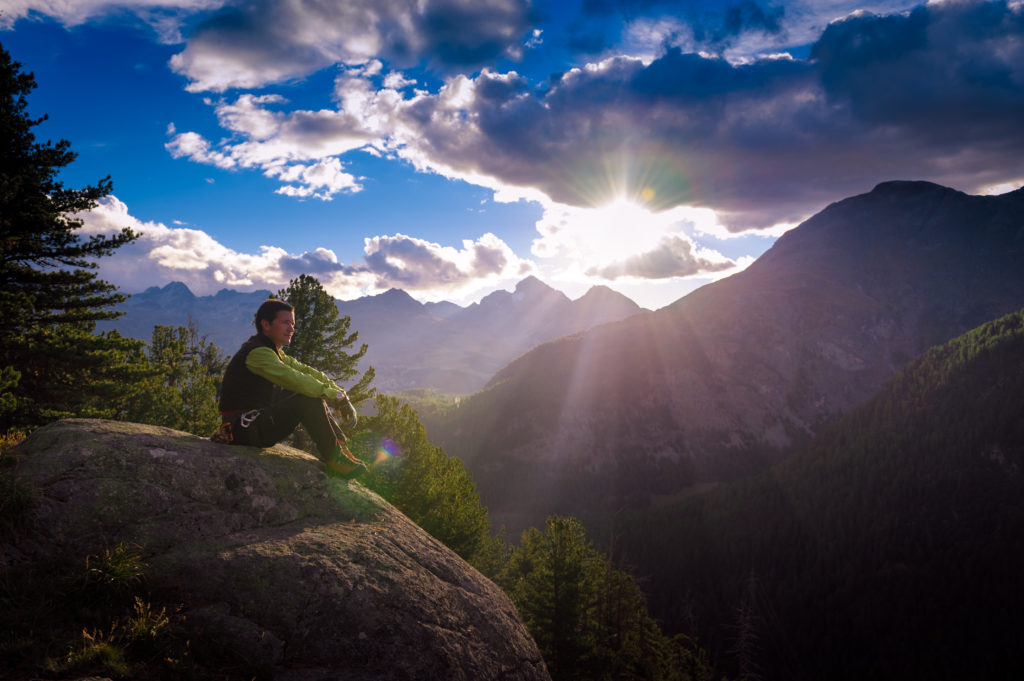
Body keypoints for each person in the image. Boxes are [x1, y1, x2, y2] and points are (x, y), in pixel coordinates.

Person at [213, 298, 366, 478]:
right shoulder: (258, 353)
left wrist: (340, 394)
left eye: (292, 324)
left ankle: (339, 449)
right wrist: (335, 397)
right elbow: (295, 379)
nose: (291, 329)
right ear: (266, 325)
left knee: (310, 392)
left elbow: (308, 372)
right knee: (306, 399)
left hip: (252, 424)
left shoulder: (273, 351)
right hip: (242, 428)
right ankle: (334, 459)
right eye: (285, 322)